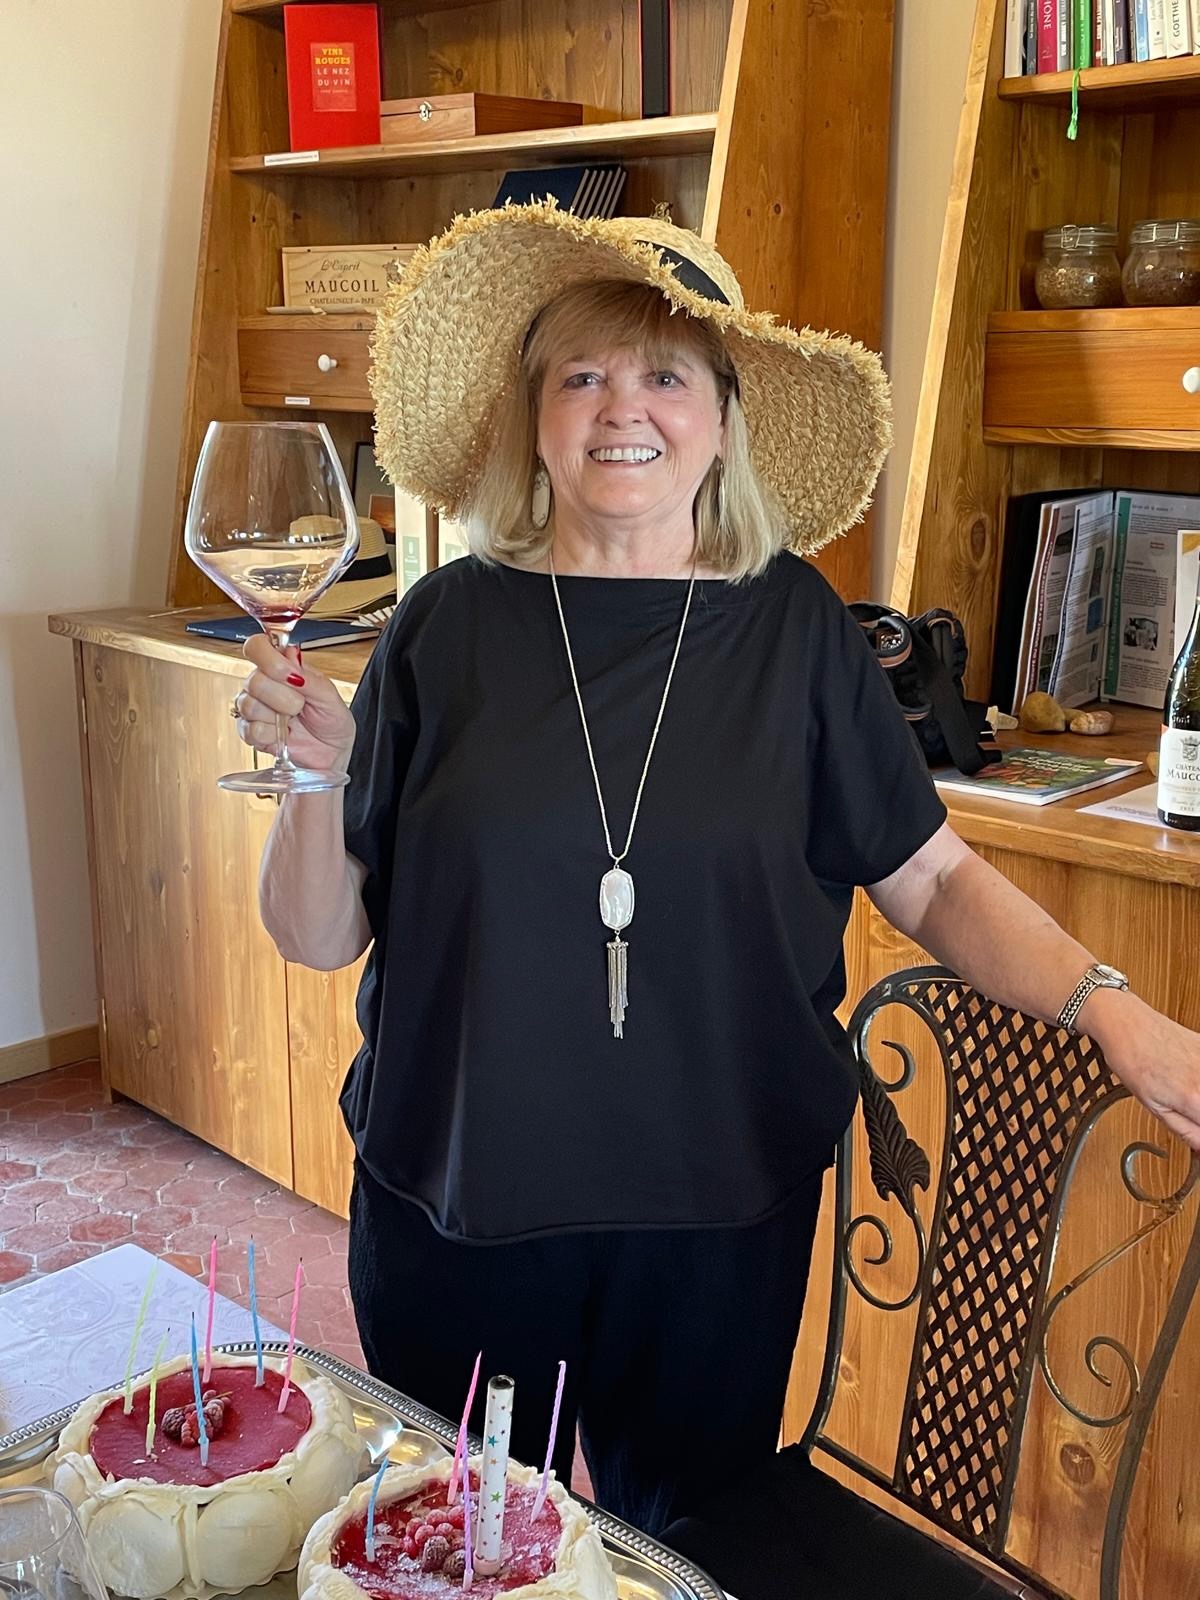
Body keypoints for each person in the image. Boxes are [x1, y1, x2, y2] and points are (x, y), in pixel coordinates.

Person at [232, 204, 1200, 1537]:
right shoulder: (440, 629)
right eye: (580, 374)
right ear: (534, 420)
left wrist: (1115, 1012)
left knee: (683, 1544)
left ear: (725, 420)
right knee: (459, 1543)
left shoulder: (797, 630)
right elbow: (317, 934)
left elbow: (934, 882)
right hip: (458, 1209)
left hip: (717, 1222)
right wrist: (311, 780)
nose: (621, 408)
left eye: (665, 375)